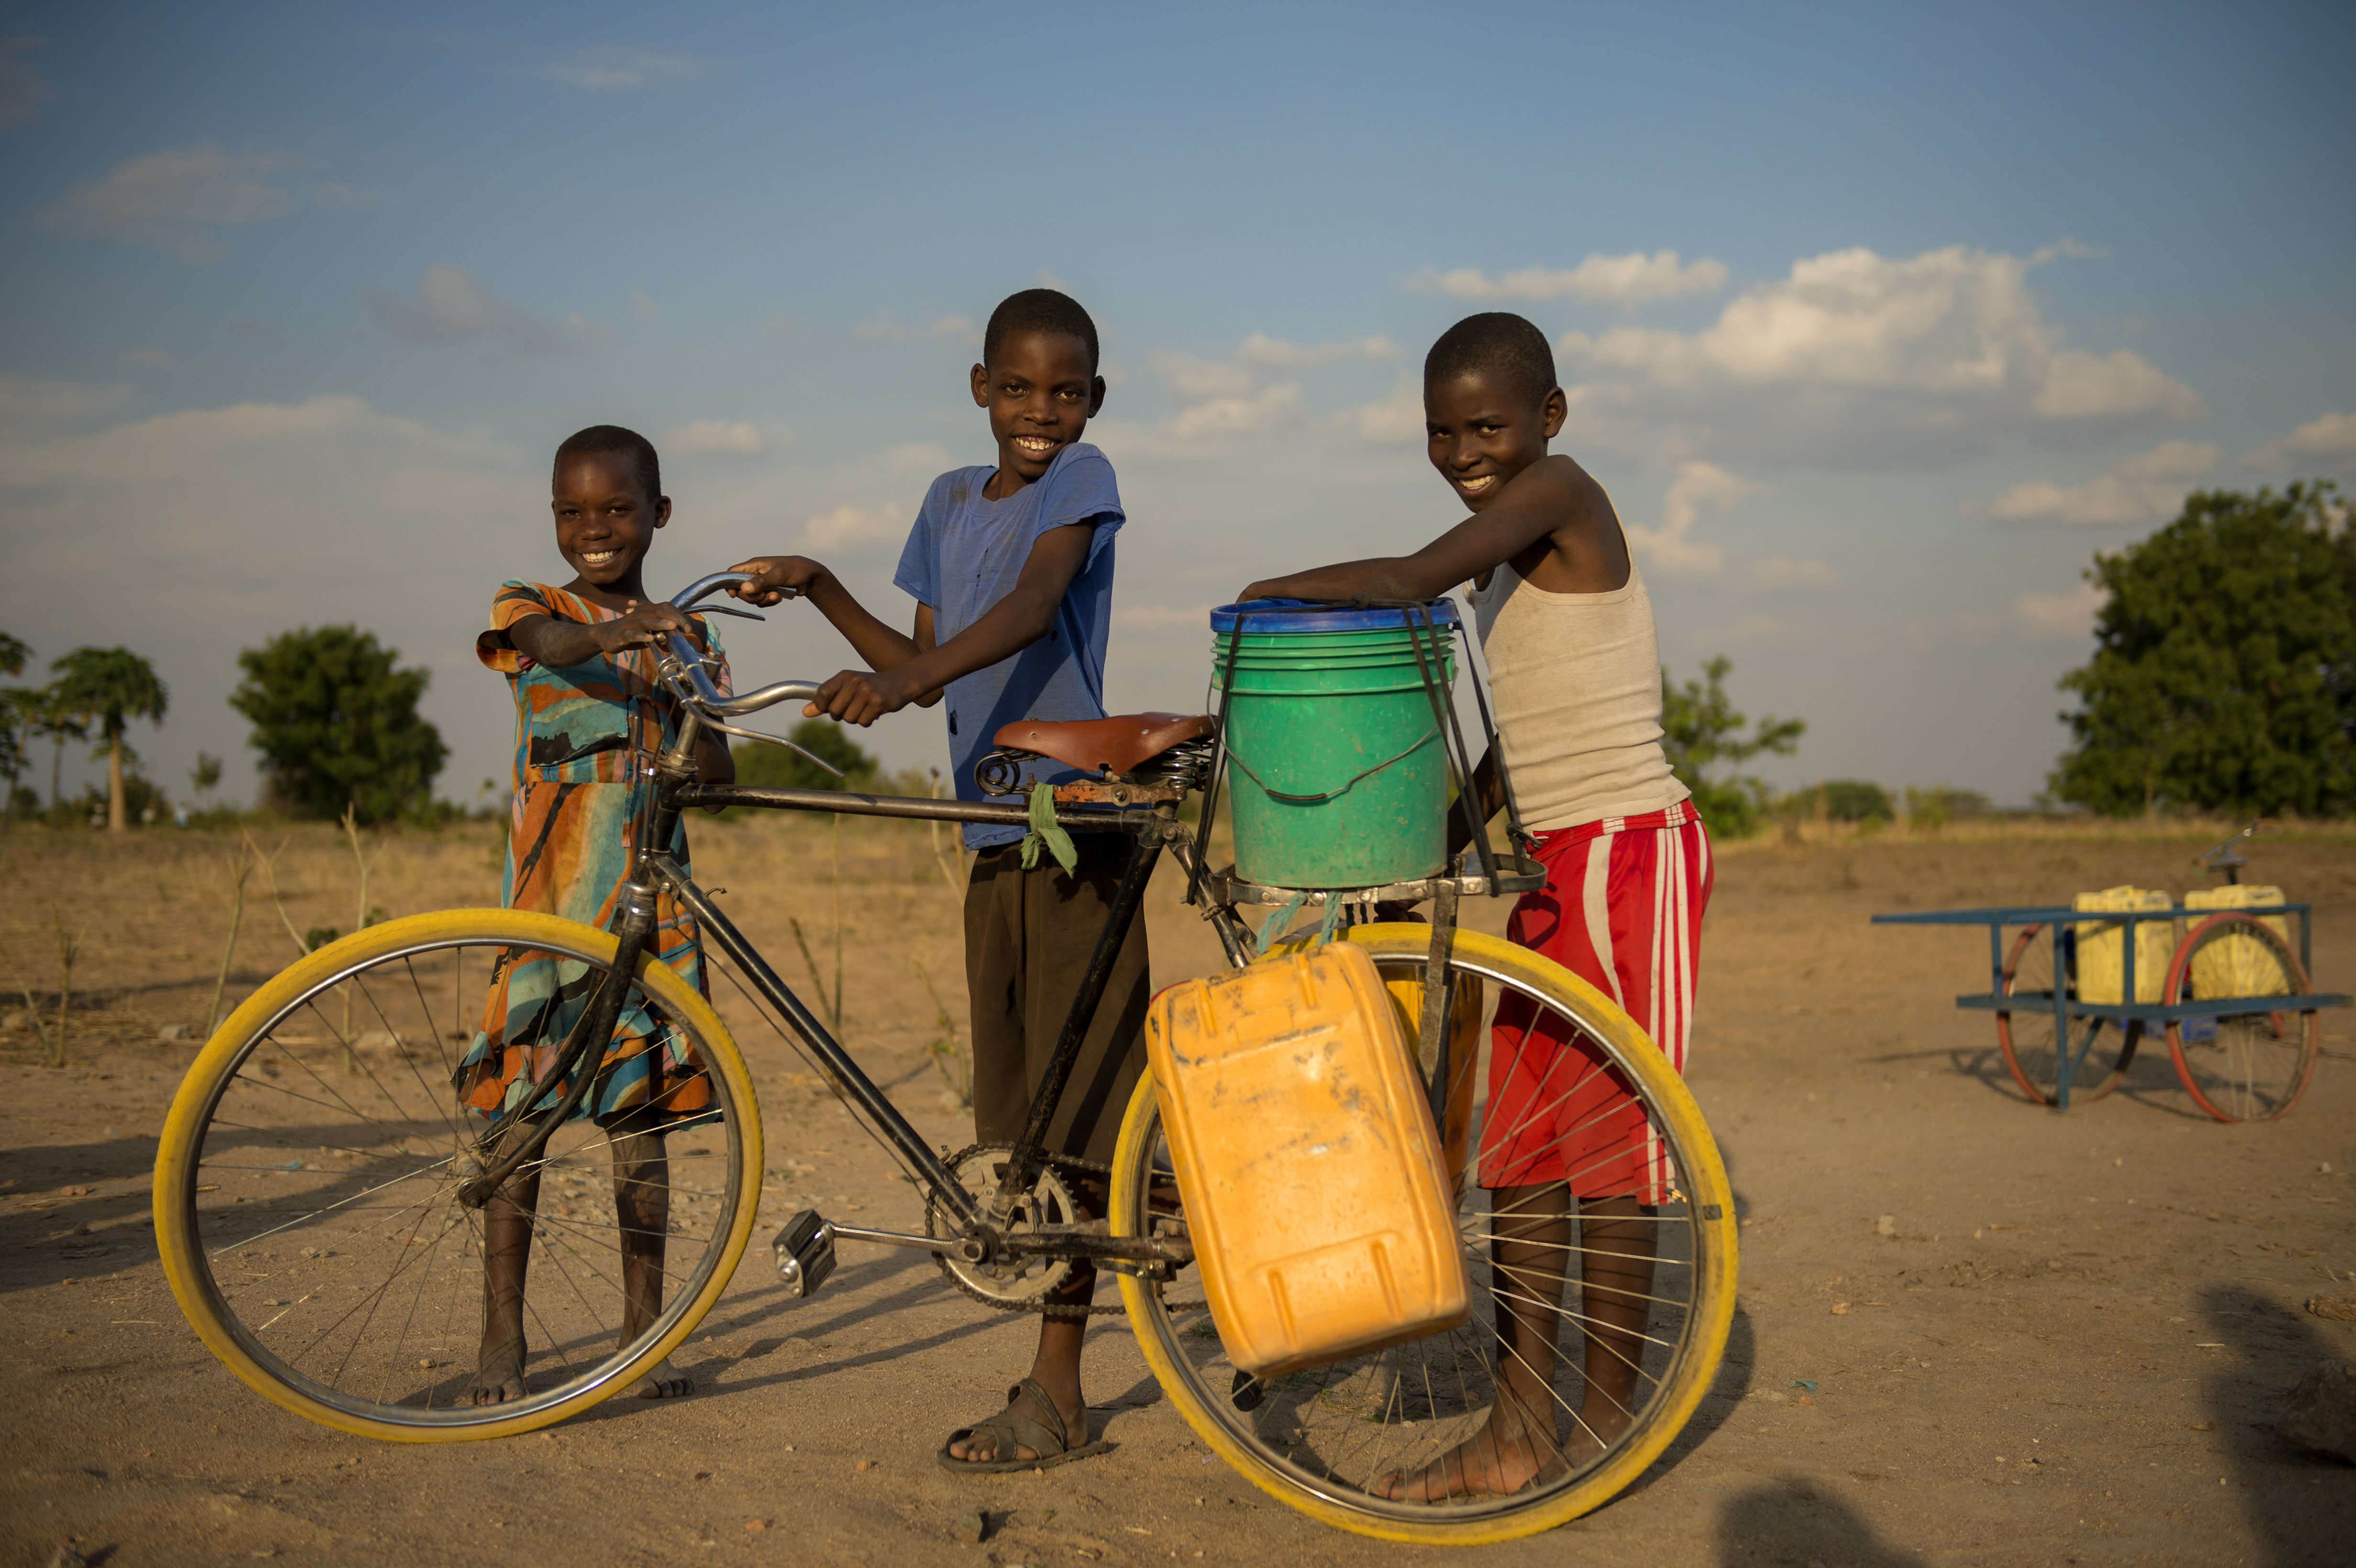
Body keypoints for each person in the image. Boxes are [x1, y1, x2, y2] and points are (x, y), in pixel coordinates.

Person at [1236, 312, 1712, 1501]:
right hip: (1560, 862)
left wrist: (1269, 595)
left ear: (1549, 416)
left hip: (1625, 854)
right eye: (1441, 432)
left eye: (1485, 425)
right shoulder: (1515, 547)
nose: (1463, 451)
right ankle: (1519, 1426)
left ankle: (1601, 1429)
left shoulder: (1560, 490)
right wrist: (1431, 851)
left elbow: (1407, 583)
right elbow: (1513, 749)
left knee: (1608, 1156)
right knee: (1524, 1159)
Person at [727, 288, 1142, 1472]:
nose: (1042, 412)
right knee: (1013, 1123)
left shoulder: (1083, 478)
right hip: (986, 832)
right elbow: (918, 657)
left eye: (1066, 392)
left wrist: (910, 689)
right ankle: (1065, 1353)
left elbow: (1031, 609)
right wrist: (817, 586)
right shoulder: (946, 502)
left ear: (1094, 402)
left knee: (1074, 1121)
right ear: (978, 389)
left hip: (1069, 826)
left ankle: (1057, 1384)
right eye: (1018, 389)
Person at [456, 424, 736, 1405]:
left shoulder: (692, 634)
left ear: (657, 514)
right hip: (545, 897)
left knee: (638, 1119)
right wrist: (623, 634)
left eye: (616, 508)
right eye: (574, 512)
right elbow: (556, 645)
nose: (595, 528)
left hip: (648, 897)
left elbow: (721, 771)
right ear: (552, 519)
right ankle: (502, 1338)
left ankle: (642, 1327)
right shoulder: (528, 603)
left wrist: (688, 696)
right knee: (517, 1119)